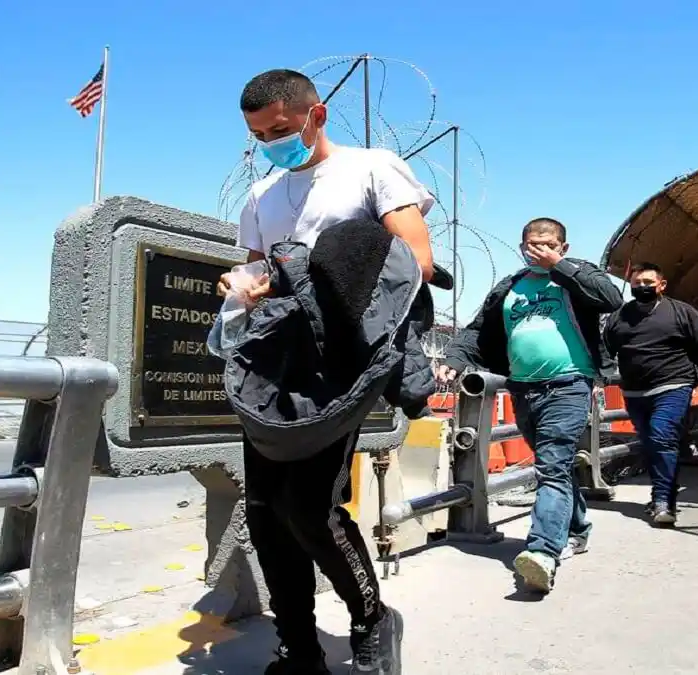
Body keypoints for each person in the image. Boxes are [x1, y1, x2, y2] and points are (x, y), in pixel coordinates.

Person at [217, 68, 440, 675]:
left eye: (281, 129)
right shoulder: (260, 197)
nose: (272, 143)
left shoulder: (372, 168)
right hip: (278, 361)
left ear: (316, 114)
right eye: (260, 136)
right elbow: (256, 273)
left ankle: (371, 618)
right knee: (264, 510)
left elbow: (415, 260)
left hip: (344, 358)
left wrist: (308, 277)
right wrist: (244, 286)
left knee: (309, 507)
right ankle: (297, 647)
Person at [436, 218, 622, 593]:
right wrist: (453, 359)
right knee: (558, 466)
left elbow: (611, 298)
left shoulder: (576, 277)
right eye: (532, 245)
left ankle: (542, 553)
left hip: (569, 385)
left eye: (548, 245)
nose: (539, 251)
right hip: (524, 390)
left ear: (563, 248)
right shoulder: (510, 288)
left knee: (551, 467)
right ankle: (578, 529)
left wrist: (560, 267)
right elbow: (477, 332)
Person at [603, 262, 698, 526]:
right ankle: (661, 491)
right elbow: (604, 351)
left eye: (648, 282)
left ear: (661, 285)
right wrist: (596, 379)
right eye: (637, 283)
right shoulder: (620, 317)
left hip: (673, 385)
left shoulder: (682, 313)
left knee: (661, 437)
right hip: (634, 392)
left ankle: (663, 501)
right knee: (651, 443)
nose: (642, 287)